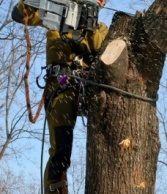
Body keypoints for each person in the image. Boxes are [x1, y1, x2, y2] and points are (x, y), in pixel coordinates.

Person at [12, 0, 108, 193]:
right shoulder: (58, 14)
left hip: (92, 88)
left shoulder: (100, 29)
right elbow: (19, 12)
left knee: (109, 138)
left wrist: (85, 32)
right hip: (62, 84)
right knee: (61, 150)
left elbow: (104, 51)